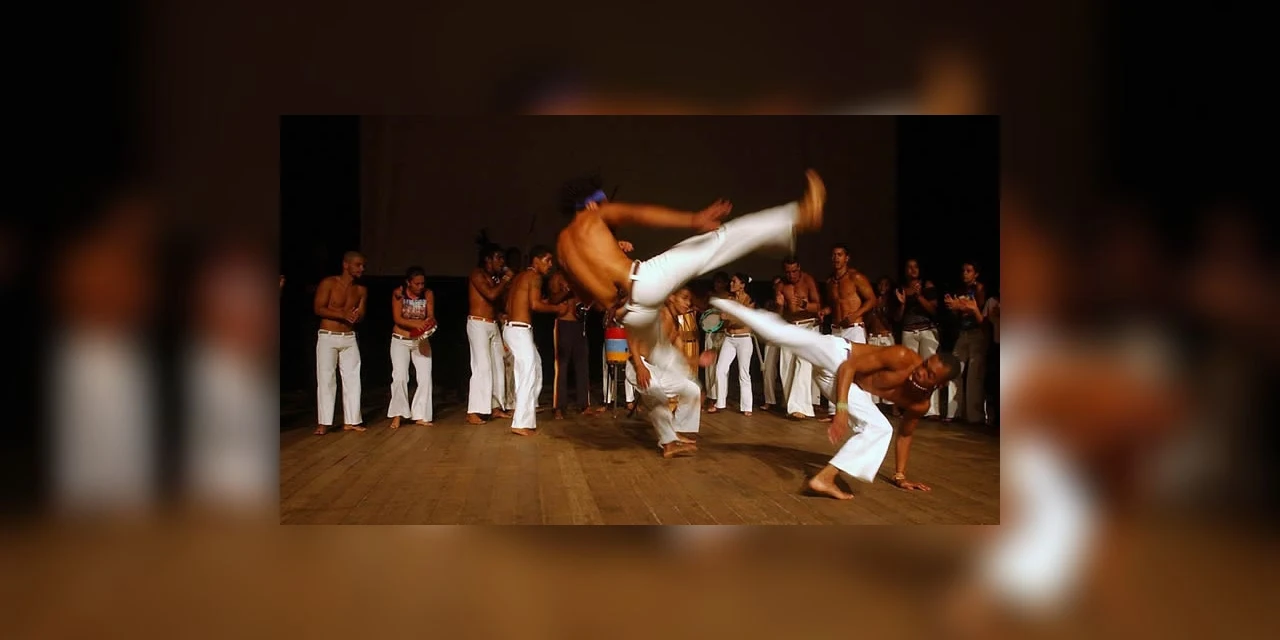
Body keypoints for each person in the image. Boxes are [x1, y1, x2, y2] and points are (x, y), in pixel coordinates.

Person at [554, 169, 826, 369]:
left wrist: (607, 261)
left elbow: (587, 298)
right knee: (718, 241)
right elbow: (640, 214)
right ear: (591, 204)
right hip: (644, 281)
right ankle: (799, 216)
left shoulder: (562, 250)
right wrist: (694, 219)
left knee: (660, 355)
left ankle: (673, 425)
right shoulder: (595, 214)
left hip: (628, 313)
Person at [709, 297, 961, 499]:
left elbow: (905, 434)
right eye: (925, 364)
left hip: (840, 384)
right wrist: (840, 409)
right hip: (838, 357)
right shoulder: (904, 358)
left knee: (880, 428)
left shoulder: (920, 404)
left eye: (929, 374)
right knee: (782, 336)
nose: (920, 371)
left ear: (940, 384)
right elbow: (848, 367)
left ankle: (824, 478)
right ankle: (726, 303)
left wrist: (900, 476)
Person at [628, 287, 705, 457]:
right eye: (684, 298)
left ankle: (676, 431)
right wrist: (640, 367)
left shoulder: (677, 324)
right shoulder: (658, 316)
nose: (688, 303)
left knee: (692, 389)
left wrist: (698, 360)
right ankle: (668, 444)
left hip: (656, 370)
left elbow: (681, 355)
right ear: (671, 298)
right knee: (658, 396)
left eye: (689, 300)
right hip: (638, 365)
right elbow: (632, 336)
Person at [502, 246, 571, 435]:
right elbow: (534, 305)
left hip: (515, 328)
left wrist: (551, 303)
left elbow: (515, 303)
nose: (550, 265)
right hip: (519, 329)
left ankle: (526, 415)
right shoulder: (534, 277)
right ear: (535, 260)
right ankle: (520, 423)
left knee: (536, 370)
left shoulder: (520, 277)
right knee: (527, 374)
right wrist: (557, 310)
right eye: (547, 260)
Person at [312, 251, 368, 435]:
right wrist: (342, 314)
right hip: (328, 335)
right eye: (358, 265)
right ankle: (324, 422)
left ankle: (352, 420)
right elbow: (318, 308)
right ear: (346, 265)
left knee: (353, 379)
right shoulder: (329, 283)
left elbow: (361, 315)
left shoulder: (360, 290)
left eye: (363, 265)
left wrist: (356, 316)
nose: (362, 269)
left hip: (349, 337)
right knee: (326, 379)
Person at [466, 244, 515, 424]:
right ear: (488, 259)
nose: (502, 262)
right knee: (482, 367)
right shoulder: (477, 274)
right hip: (478, 324)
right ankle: (473, 411)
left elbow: (498, 301)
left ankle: (495, 407)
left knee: (497, 366)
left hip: (492, 324)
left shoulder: (495, 277)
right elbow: (491, 295)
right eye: (498, 258)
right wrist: (505, 280)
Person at [547, 268, 601, 418]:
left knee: (582, 365)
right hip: (563, 324)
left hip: (580, 325)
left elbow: (592, 302)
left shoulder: (581, 275)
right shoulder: (558, 277)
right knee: (562, 366)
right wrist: (568, 290)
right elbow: (553, 300)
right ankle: (558, 407)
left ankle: (584, 405)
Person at [388, 266, 435, 429]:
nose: (420, 287)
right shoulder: (398, 294)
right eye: (417, 284)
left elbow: (430, 316)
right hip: (400, 339)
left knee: (424, 377)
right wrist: (417, 324)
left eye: (422, 283)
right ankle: (398, 414)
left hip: (420, 340)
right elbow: (398, 318)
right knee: (400, 377)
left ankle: (420, 414)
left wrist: (427, 324)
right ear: (408, 283)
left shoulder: (428, 294)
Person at [777, 255, 824, 419]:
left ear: (799, 268)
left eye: (794, 271)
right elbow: (779, 314)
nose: (791, 275)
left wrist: (805, 305)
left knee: (802, 365)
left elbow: (819, 305)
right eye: (788, 272)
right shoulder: (781, 285)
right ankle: (790, 403)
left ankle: (800, 408)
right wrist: (779, 305)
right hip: (789, 327)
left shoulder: (808, 280)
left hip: (808, 326)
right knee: (786, 366)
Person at [945, 260, 989, 424]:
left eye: (969, 271)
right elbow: (958, 315)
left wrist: (960, 306)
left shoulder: (979, 288)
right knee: (955, 370)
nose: (965, 273)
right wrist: (953, 308)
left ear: (976, 274)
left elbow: (978, 309)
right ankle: (953, 413)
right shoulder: (960, 290)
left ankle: (974, 416)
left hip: (977, 333)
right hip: (963, 333)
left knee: (974, 376)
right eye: (963, 270)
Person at [709, 273, 756, 415]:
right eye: (730, 282)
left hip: (744, 339)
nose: (731, 284)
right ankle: (720, 402)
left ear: (742, 284)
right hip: (729, 338)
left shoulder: (749, 300)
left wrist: (728, 316)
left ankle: (747, 407)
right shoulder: (729, 299)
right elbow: (724, 319)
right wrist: (723, 319)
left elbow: (744, 321)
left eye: (734, 282)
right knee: (720, 369)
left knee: (744, 373)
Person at [821, 243, 876, 343]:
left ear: (847, 258)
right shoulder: (829, 282)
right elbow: (834, 304)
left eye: (839, 255)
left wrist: (855, 315)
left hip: (853, 329)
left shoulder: (855, 277)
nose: (836, 258)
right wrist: (824, 311)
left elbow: (872, 300)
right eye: (833, 255)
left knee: (857, 359)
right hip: (836, 329)